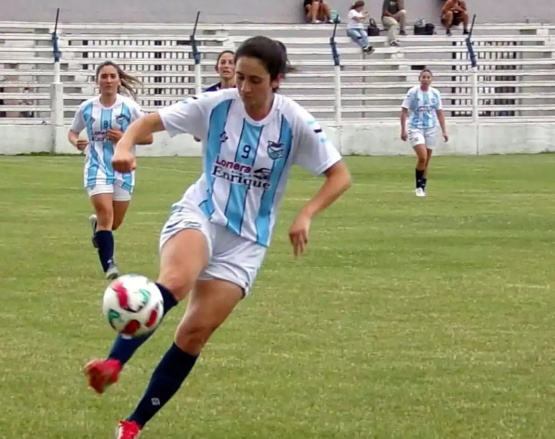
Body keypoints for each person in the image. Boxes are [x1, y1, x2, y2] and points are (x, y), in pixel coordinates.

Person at [83, 35, 352, 439]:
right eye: (239, 77)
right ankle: (112, 365)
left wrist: (306, 214)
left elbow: (340, 175)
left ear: (276, 80)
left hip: (248, 241)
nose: (243, 88)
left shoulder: (294, 120)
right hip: (202, 214)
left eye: (254, 80)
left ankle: (133, 425)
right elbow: (149, 121)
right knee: (174, 282)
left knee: (194, 334)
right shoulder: (217, 105)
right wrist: (124, 144)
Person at [67, 61, 151, 279]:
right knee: (106, 214)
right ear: (97, 81)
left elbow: (148, 137)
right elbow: (73, 132)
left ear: (119, 80)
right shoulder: (87, 108)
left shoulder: (129, 107)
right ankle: (109, 266)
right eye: (104, 76)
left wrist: (125, 138)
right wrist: (76, 141)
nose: (108, 80)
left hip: (123, 168)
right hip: (96, 166)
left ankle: (98, 229)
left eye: (112, 76)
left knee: (114, 223)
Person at [399, 69, 448, 197]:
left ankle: (422, 187)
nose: (425, 79)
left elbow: (439, 112)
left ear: (431, 79)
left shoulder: (435, 93)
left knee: (427, 160)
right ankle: (418, 188)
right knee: (422, 156)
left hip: (431, 128)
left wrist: (444, 131)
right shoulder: (413, 92)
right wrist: (403, 129)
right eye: (423, 77)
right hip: (415, 128)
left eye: (428, 77)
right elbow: (404, 110)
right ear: (419, 79)